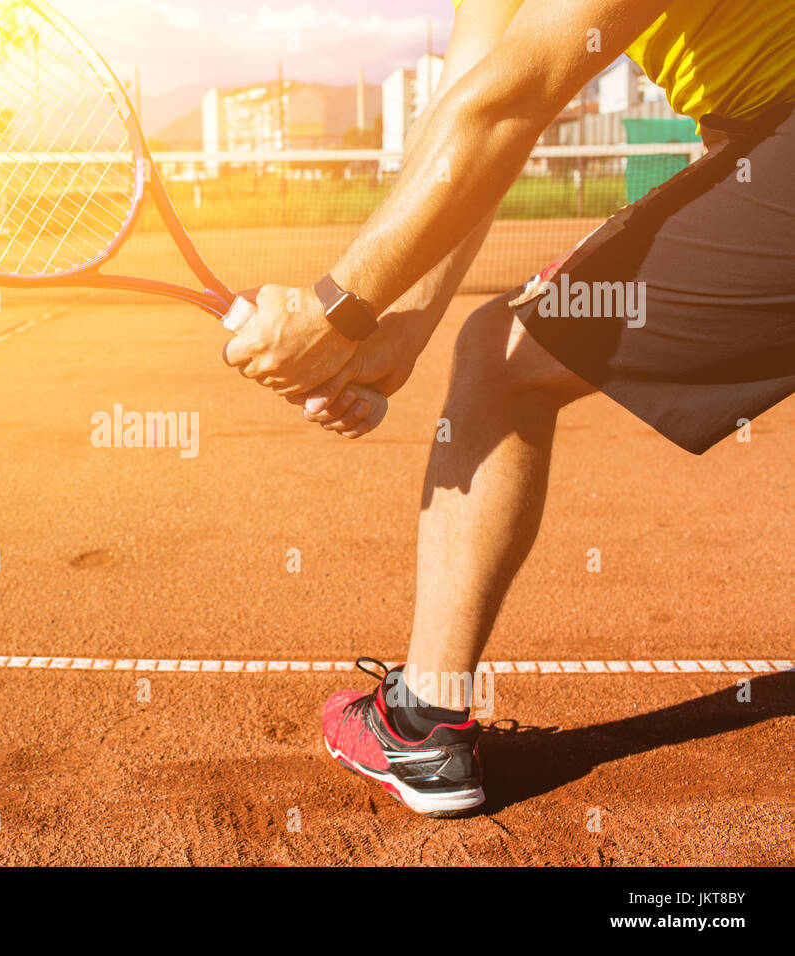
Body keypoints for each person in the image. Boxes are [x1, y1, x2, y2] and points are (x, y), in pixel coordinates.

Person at [222, 0, 795, 816]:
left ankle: (421, 723)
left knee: (503, 362)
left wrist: (335, 310)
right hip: (763, 140)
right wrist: (401, 330)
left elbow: (511, 103)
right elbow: (471, 108)